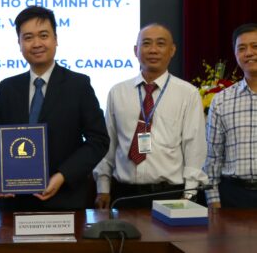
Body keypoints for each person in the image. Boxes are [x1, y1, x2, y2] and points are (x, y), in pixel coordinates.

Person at [0, 6, 110, 211]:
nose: (36, 44)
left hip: (63, 200)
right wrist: (0, 173)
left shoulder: (78, 85)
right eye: (28, 37)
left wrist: (62, 176)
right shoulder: (7, 87)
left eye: (43, 35)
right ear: (19, 43)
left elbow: (99, 140)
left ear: (55, 39)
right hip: (14, 201)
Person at [93, 23, 208, 209]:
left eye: (160, 44)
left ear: (172, 50)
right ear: (136, 50)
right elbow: (109, 144)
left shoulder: (188, 93)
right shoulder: (117, 92)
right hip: (124, 194)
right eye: (146, 44)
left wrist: (189, 195)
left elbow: (194, 148)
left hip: (171, 194)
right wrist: (103, 187)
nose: (153, 50)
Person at [204, 23, 257, 208]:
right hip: (234, 196)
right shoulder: (221, 100)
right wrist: (213, 201)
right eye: (242, 48)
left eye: (255, 46)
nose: (249, 53)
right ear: (235, 54)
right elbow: (212, 158)